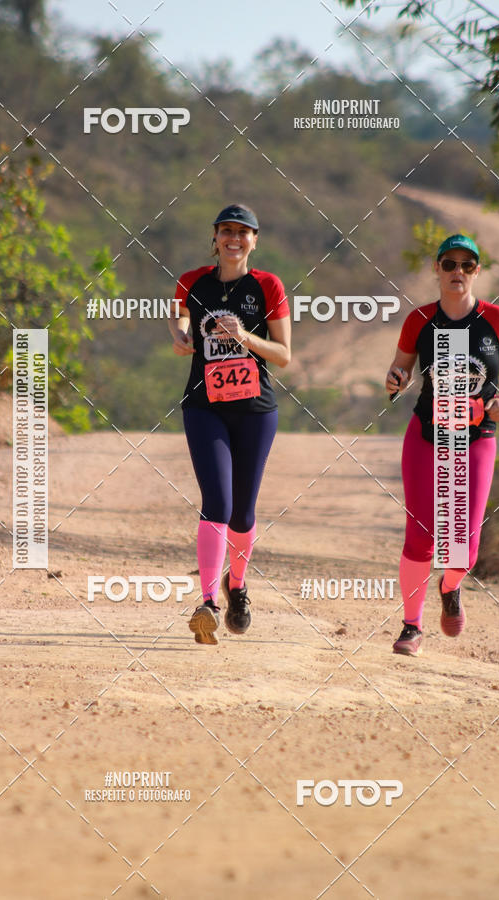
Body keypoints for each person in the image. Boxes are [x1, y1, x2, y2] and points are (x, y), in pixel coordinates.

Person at [385, 234, 499, 656]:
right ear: (437, 269)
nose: (457, 273)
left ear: (477, 271)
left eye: (467, 265)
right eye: (449, 264)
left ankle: (450, 587)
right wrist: (394, 378)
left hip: (477, 438)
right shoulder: (420, 320)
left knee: (463, 542)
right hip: (427, 434)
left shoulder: (496, 319)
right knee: (420, 535)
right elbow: (400, 368)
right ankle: (411, 626)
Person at [168, 204, 291, 644]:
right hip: (204, 406)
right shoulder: (192, 281)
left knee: (243, 512)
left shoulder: (268, 286)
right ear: (215, 236)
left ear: (255, 240)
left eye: (243, 232)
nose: (234, 238)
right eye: (226, 230)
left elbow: (283, 354)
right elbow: (180, 318)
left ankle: (235, 584)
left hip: (256, 410)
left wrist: (245, 338)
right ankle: (207, 603)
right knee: (216, 501)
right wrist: (180, 335)